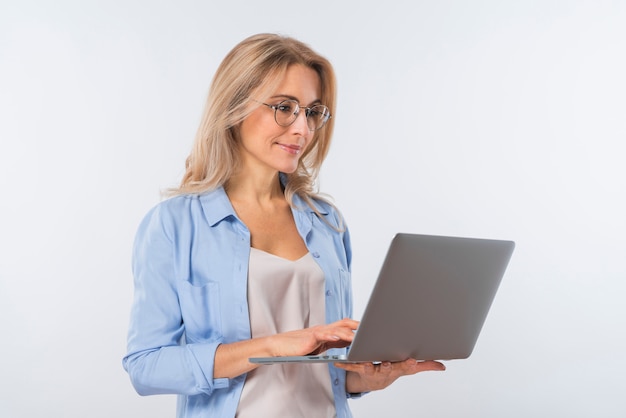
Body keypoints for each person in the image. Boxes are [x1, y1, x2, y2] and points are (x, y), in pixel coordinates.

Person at [122, 33, 445, 418]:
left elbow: (331, 371)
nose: (302, 130)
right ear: (234, 106)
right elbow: (146, 366)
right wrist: (273, 347)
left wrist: (366, 379)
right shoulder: (174, 225)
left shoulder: (328, 223)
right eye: (284, 107)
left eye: (311, 112)